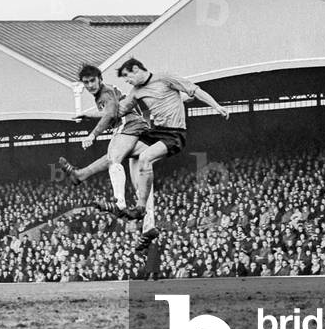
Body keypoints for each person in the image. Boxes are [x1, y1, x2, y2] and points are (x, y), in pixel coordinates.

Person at [115, 58, 230, 252]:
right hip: (156, 131)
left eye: (127, 77)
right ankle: (143, 210)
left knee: (145, 158)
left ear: (135, 69)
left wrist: (216, 106)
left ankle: (141, 206)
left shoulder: (165, 77)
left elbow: (194, 90)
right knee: (127, 153)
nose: (127, 82)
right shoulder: (136, 92)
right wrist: (93, 121)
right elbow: (117, 111)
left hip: (174, 134)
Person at [57, 64, 149, 213]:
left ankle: (119, 203)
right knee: (116, 160)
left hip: (129, 123)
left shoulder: (105, 92)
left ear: (100, 79)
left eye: (92, 81)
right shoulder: (104, 94)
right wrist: (89, 115)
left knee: (113, 158)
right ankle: (81, 174)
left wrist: (93, 135)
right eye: (86, 83)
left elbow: (111, 114)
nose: (90, 85)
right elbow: (110, 111)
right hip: (136, 125)